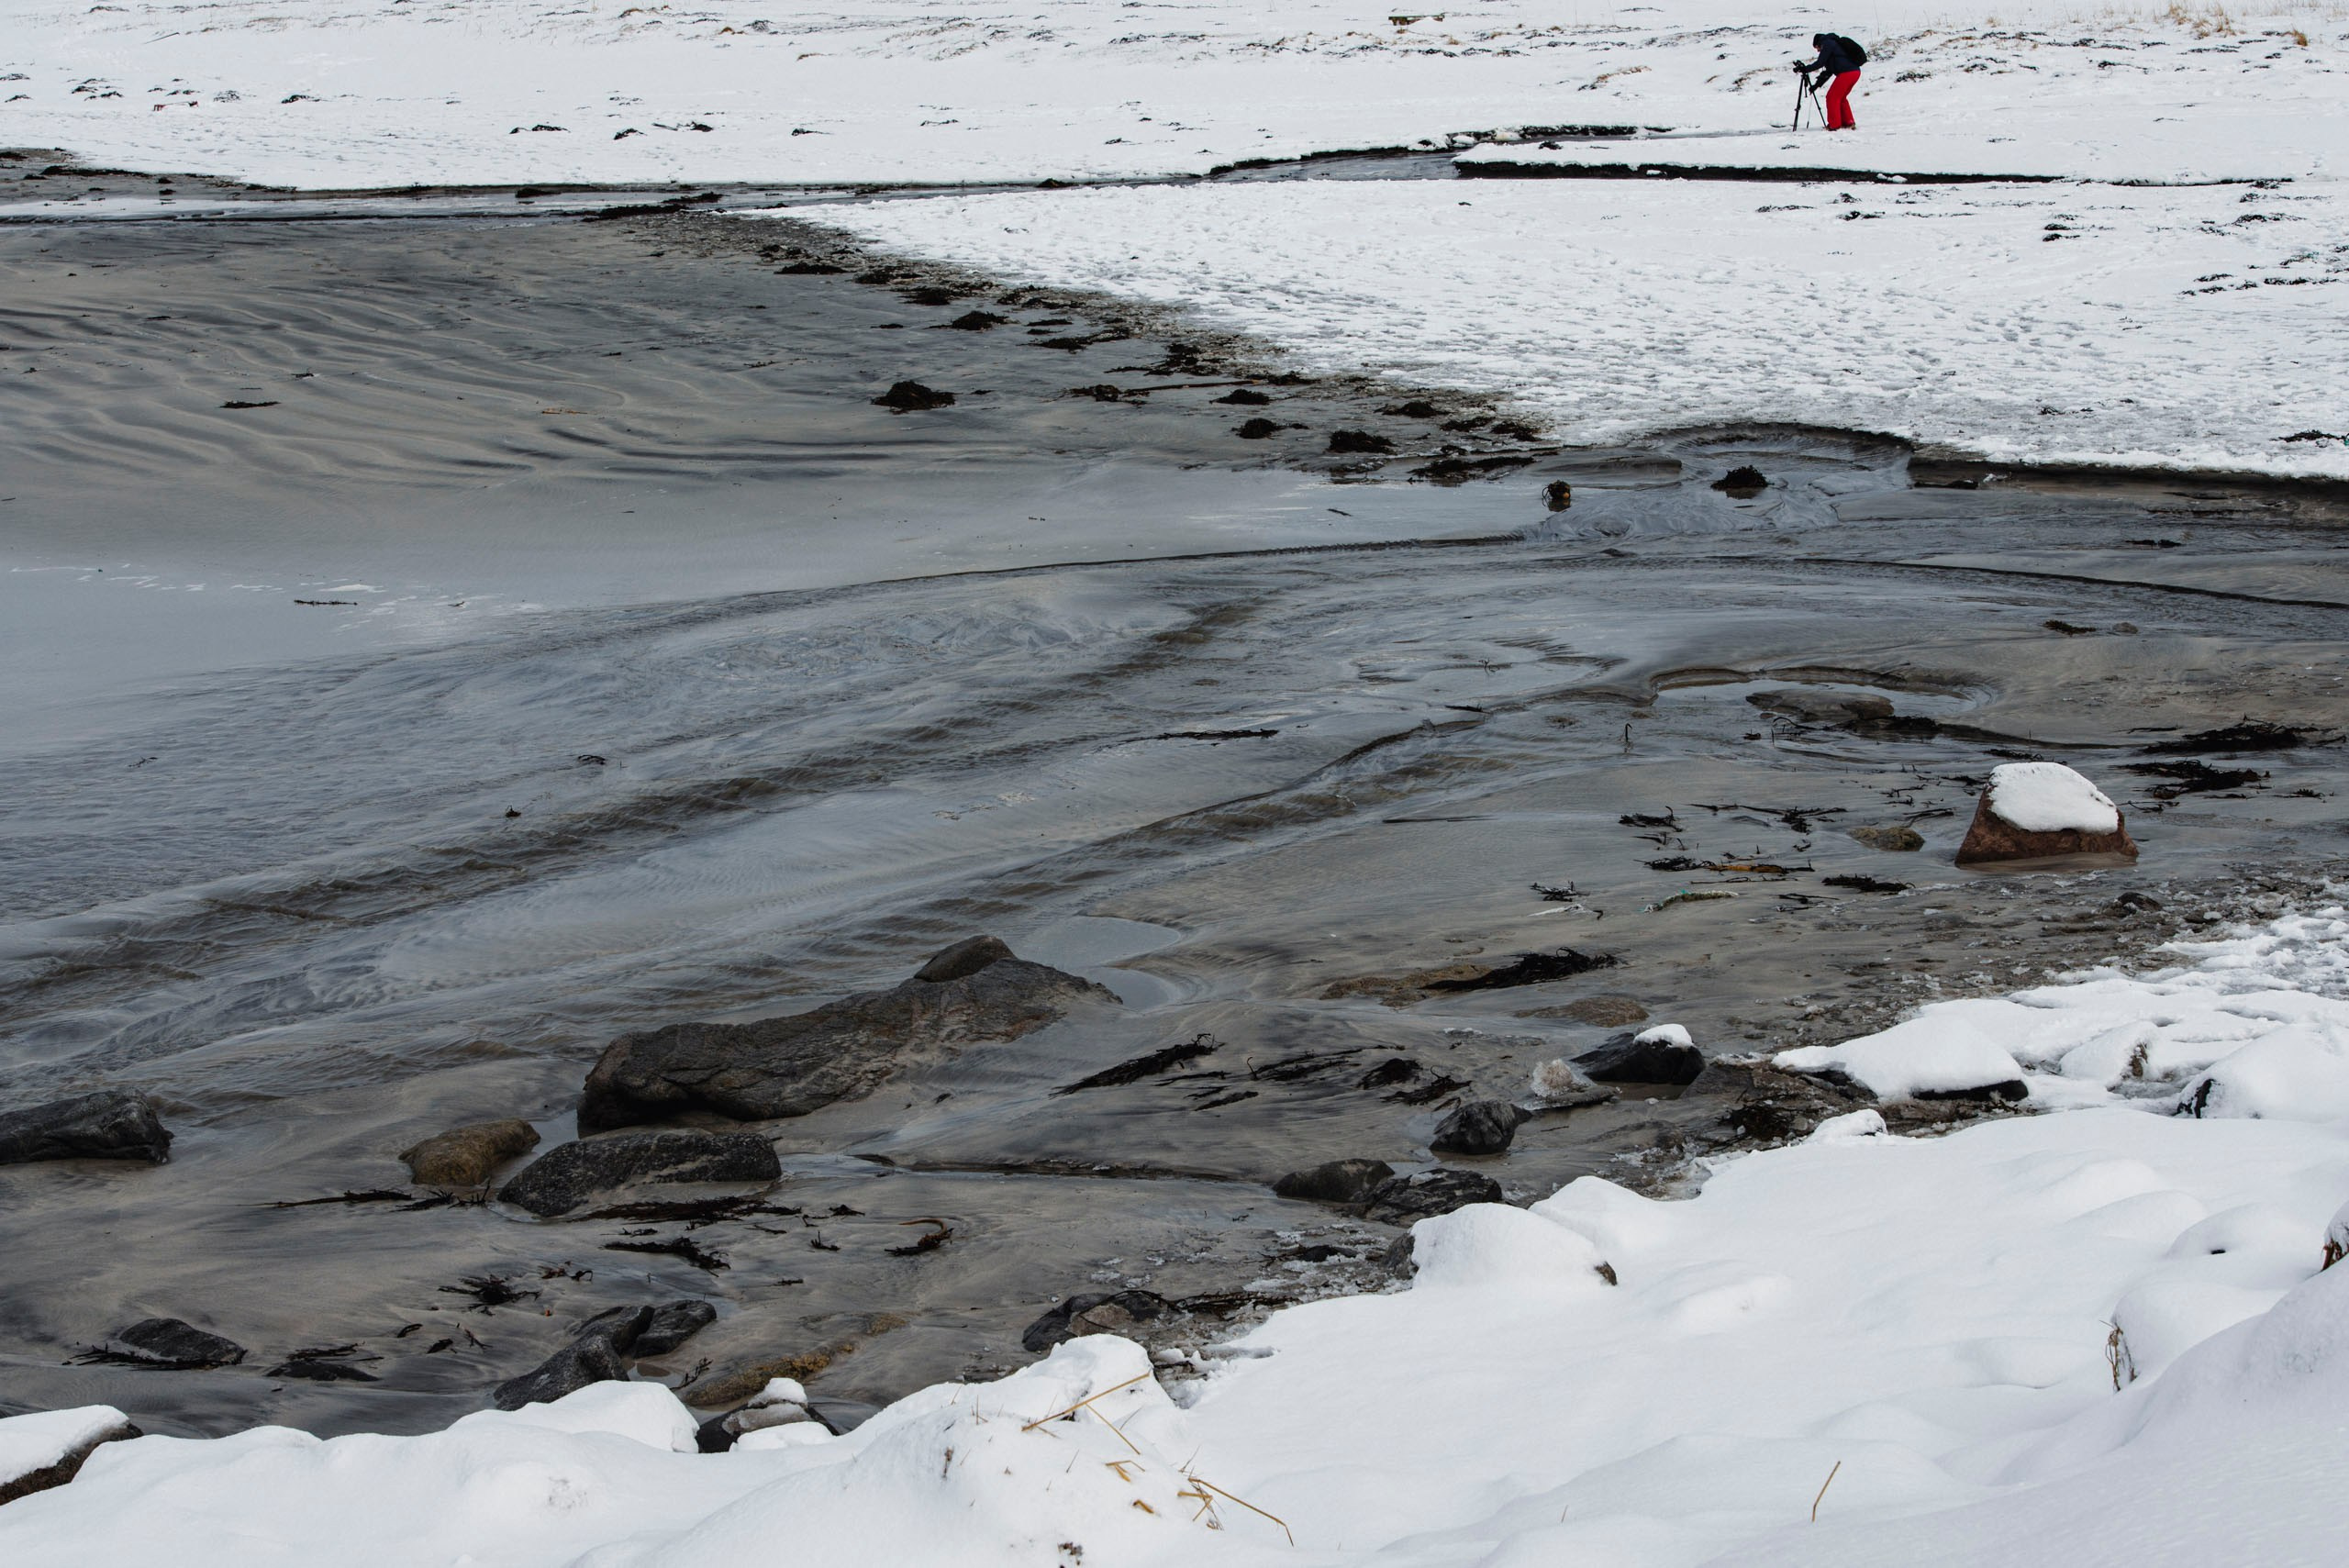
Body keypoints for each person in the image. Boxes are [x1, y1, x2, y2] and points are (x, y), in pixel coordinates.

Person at [1797, 32, 1866, 131]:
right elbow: (1828, 72)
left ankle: (1834, 125)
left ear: (1819, 43)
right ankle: (1848, 122)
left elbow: (1820, 63)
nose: (1817, 50)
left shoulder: (1828, 43)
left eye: (1817, 47)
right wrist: (1816, 85)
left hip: (1847, 72)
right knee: (1841, 97)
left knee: (1832, 97)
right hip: (1854, 72)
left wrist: (1806, 69)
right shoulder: (1833, 47)